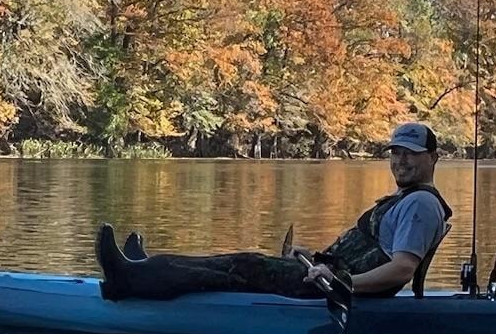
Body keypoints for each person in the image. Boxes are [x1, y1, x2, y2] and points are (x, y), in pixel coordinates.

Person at [95, 122, 452, 301]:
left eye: (410, 153)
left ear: (432, 158)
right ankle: (145, 269)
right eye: (396, 152)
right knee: (238, 265)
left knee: (241, 266)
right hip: (327, 277)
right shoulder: (409, 199)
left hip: (332, 290)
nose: (400, 161)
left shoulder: (420, 204)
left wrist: (342, 284)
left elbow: (402, 269)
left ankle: (131, 281)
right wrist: (313, 258)